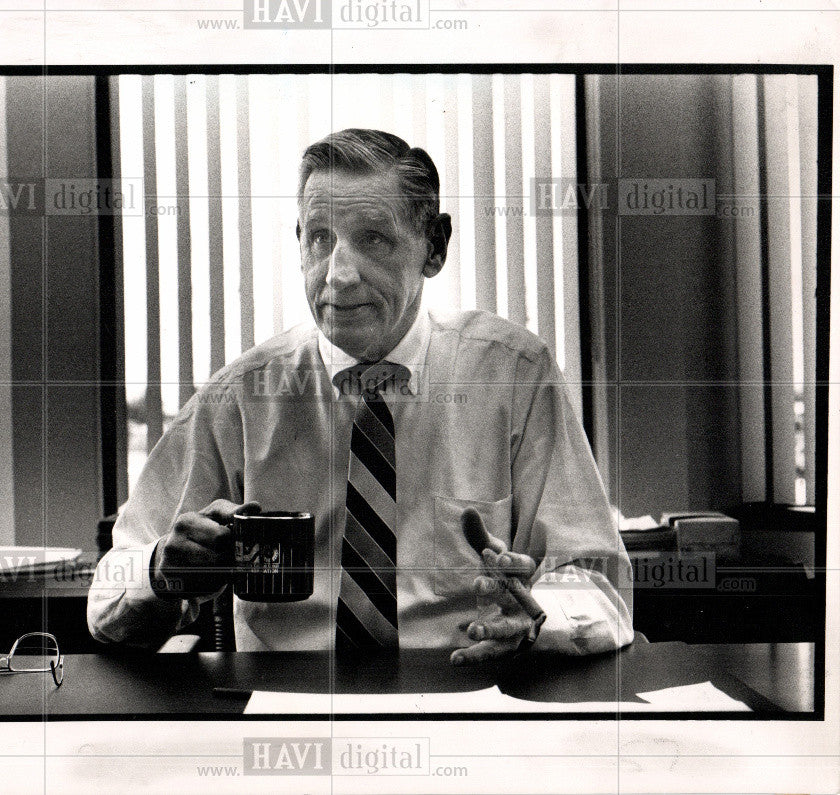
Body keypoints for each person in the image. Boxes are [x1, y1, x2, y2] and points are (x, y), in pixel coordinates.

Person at [88, 128, 634, 663]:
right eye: (320, 239)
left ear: (435, 247)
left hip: (466, 694)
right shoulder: (242, 396)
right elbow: (107, 598)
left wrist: (538, 620)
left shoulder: (513, 376)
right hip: (288, 713)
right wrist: (162, 570)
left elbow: (598, 583)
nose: (339, 275)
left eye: (374, 238)